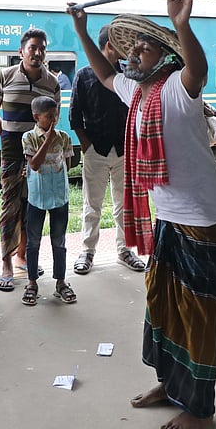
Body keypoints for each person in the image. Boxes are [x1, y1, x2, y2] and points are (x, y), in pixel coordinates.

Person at [67, 0, 216, 429]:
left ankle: (199, 408)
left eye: (143, 48)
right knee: (162, 305)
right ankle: (170, 383)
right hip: (169, 217)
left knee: (198, 316)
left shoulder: (180, 87)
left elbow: (198, 70)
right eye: (132, 50)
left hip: (204, 219)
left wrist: (181, 23)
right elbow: (104, 75)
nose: (133, 55)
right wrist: (81, 30)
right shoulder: (137, 90)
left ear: (164, 55)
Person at [0, 29, 60, 292]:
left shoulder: (52, 83)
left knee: (32, 206)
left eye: (42, 48)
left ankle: (23, 257)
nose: (38, 53)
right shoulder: (5, 77)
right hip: (12, 154)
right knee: (10, 206)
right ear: (21, 51)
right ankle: (6, 263)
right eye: (32, 48)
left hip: (39, 157)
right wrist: (8, 137)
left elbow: (53, 120)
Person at [69, 24, 145, 275]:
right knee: (92, 204)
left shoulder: (129, 75)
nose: (126, 48)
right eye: (121, 44)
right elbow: (74, 116)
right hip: (96, 149)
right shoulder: (84, 75)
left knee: (124, 205)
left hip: (125, 150)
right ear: (110, 45)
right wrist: (87, 146)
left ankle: (125, 250)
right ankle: (88, 250)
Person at [20, 96, 76, 306]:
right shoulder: (28, 138)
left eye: (56, 115)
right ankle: (32, 283)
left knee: (59, 241)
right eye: (49, 116)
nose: (54, 120)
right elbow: (34, 165)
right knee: (33, 242)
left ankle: (60, 282)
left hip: (60, 197)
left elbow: (67, 165)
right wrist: (48, 140)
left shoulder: (64, 137)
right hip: (37, 198)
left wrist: (54, 140)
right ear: (37, 117)